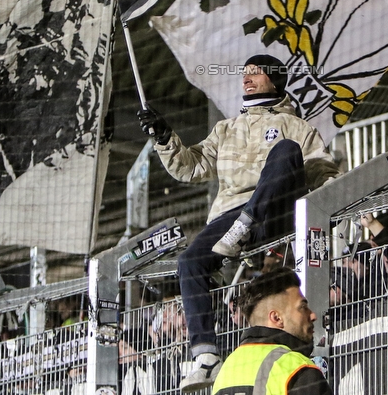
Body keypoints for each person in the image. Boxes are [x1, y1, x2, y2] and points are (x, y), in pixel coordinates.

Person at [137, 55, 338, 391]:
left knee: (286, 150)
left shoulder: (297, 127)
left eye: (256, 73)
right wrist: (164, 136)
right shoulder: (225, 129)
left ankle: (248, 223)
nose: (247, 78)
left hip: (276, 211)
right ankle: (205, 356)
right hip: (230, 216)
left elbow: (324, 174)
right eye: (244, 74)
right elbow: (191, 167)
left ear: (275, 81)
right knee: (190, 261)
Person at [212, 268, 330, 395]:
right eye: (302, 307)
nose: (313, 315)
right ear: (276, 318)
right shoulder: (297, 368)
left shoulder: (226, 370)